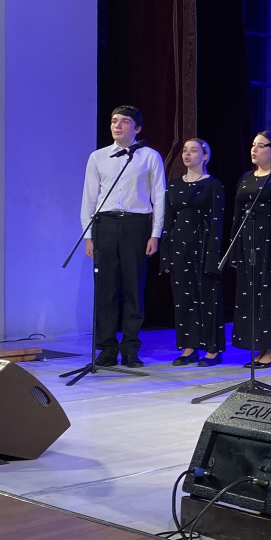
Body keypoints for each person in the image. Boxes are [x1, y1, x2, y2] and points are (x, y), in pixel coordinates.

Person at [80, 105, 166, 367]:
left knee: (133, 288)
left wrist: (155, 233)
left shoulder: (149, 156)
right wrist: (88, 235)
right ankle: (106, 348)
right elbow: (89, 198)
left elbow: (159, 196)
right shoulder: (98, 157)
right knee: (105, 290)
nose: (117, 125)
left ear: (137, 128)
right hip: (105, 224)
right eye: (114, 120)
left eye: (124, 121)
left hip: (135, 224)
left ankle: (130, 348)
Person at [160, 139, 225, 365]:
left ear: (205, 156)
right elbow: (168, 220)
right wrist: (165, 254)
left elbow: (217, 221)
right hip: (179, 245)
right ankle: (189, 347)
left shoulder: (213, 184)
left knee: (207, 296)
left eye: (194, 150)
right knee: (183, 297)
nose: (187, 154)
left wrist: (214, 255)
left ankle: (212, 349)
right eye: (185, 151)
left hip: (203, 243)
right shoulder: (174, 185)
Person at [231, 131, 271, 365]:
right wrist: (234, 245)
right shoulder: (246, 177)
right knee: (249, 292)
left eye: (261, 146)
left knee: (268, 292)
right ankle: (257, 344)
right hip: (247, 239)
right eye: (253, 145)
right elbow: (237, 213)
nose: (254, 149)